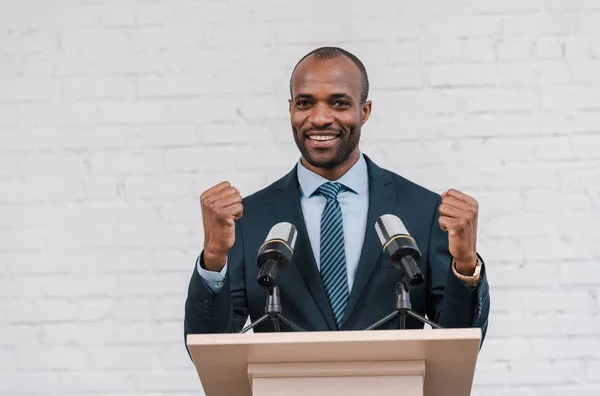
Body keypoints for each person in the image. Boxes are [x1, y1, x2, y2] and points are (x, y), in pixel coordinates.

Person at [183, 47, 490, 347]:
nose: (319, 118)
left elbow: (459, 344)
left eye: (339, 103)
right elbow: (210, 348)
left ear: (364, 111)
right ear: (291, 109)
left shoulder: (423, 211)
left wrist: (464, 266)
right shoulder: (247, 220)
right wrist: (213, 258)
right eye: (305, 103)